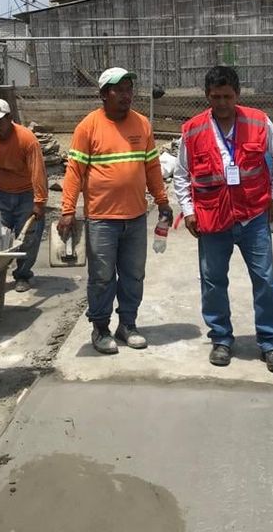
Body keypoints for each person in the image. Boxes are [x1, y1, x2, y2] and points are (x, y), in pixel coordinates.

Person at [173, 65, 273, 373]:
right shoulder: (192, 130)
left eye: (227, 96)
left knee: (265, 279)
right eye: (216, 97)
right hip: (212, 219)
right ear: (207, 96)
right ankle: (221, 339)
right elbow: (182, 174)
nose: (222, 103)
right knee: (213, 282)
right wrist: (188, 211)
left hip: (253, 216)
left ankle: (271, 343)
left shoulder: (258, 121)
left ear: (237, 94)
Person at [58, 67, 172, 354]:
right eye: (118, 90)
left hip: (135, 217)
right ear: (103, 94)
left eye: (129, 89)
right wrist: (68, 209)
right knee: (102, 277)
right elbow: (74, 172)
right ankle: (100, 328)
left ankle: (128, 325)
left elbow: (152, 167)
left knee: (133, 275)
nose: (126, 95)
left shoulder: (142, 124)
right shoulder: (88, 127)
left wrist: (162, 200)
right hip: (101, 219)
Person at [0, 98, 48, 293]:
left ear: (9, 118)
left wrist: (39, 201)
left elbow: (38, 171)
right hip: (0, 194)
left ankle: (23, 274)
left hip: (26, 193)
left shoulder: (26, 139)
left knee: (28, 237)